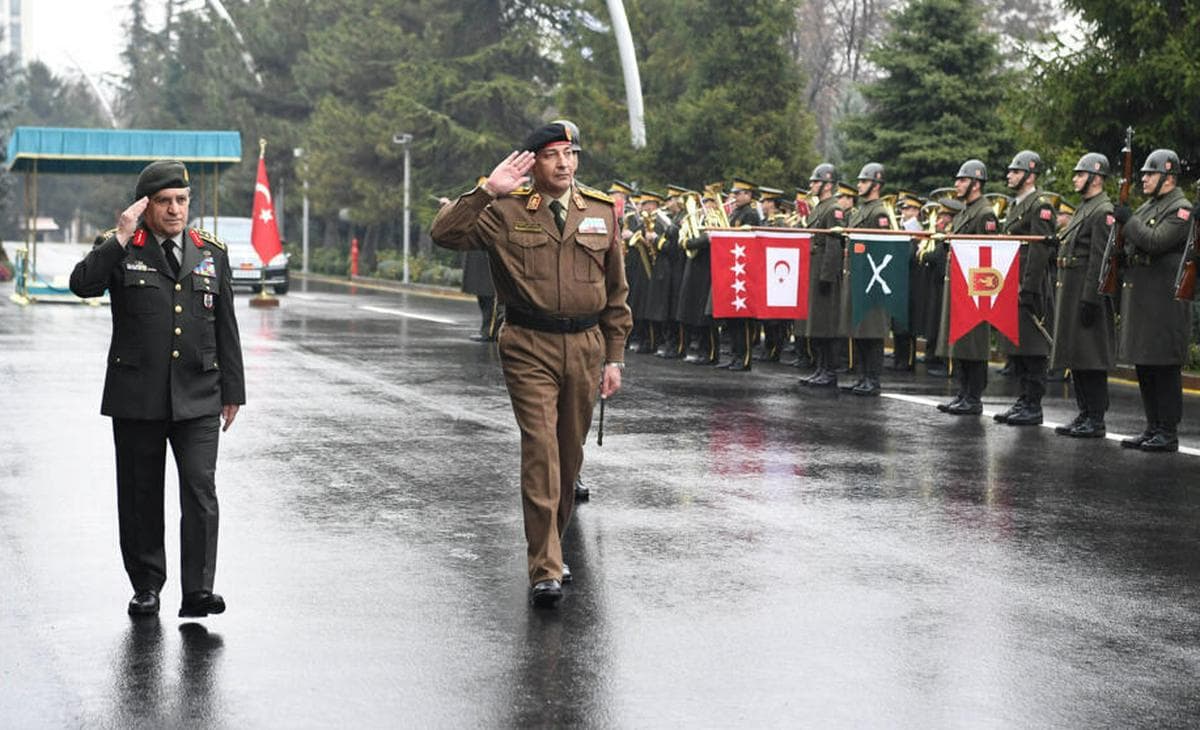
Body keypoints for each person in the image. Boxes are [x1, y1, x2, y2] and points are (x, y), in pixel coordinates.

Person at [431, 121, 631, 607]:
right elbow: (445, 232)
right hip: (528, 344)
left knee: (568, 455)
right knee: (541, 448)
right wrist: (485, 191)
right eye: (552, 156)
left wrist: (614, 356)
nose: (564, 164)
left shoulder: (600, 213)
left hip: (585, 345)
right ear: (533, 163)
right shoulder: (505, 210)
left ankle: (553, 546)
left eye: (571, 154)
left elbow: (617, 293)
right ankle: (544, 566)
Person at [68, 160, 245, 618]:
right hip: (137, 395)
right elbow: (82, 285)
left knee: (201, 489)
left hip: (200, 392)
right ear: (145, 206)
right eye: (164, 202)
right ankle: (147, 585)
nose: (174, 210)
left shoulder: (210, 252)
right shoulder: (121, 246)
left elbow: (226, 325)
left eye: (181, 201)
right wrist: (121, 235)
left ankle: (199, 591)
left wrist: (234, 390)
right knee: (141, 493)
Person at [1113, 148, 1194, 453]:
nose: (1143, 178)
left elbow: (1155, 241)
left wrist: (1129, 221)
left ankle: (1167, 431)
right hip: (1144, 296)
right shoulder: (1151, 205)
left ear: (1168, 177)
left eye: (1151, 173)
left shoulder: (1180, 210)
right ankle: (1152, 426)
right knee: (1145, 365)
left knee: (1164, 367)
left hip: (1164, 300)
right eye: (1144, 173)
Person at [1050, 153, 1115, 438]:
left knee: (1090, 357)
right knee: (1076, 354)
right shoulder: (1085, 208)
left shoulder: (1102, 211)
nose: (1075, 178)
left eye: (1080, 173)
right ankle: (1084, 412)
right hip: (1072, 286)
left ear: (1096, 177)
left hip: (1085, 291)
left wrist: (1091, 297)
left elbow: (1100, 259)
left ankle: (1096, 418)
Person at [993, 151, 1057, 426]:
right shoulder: (1017, 205)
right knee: (1018, 345)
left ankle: (1033, 404)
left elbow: (1039, 250)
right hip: (1013, 281)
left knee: (1033, 347)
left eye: (1015, 171)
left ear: (1030, 175)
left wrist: (1029, 288)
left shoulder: (1040, 205)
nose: (1009, 175)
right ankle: (1023, 400)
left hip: (1031, 283)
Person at [936, 159, 999, 415]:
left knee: (974, 342)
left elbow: (988, 252)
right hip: (961, 285)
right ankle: (963, 393)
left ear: (975, 182)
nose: (957, 184)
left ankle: (974, 397)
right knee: (961, 341)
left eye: (962, 180)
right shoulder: (964, 211)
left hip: (976, 287)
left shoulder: (985, 213)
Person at [840, 162, 896, 396]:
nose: (859, 185)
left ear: (875, 184)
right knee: (860, 330)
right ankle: (863, 376)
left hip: (873, 277)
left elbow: (880, 246)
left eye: (863, 181)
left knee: (872, 332)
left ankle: (873, 378)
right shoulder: (861, 210)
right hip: (858, 275)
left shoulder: (879, 212)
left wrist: (856, 248)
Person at [802, 166, 848, 387]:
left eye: (815, 181)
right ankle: (820, 368)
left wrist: (827, 275)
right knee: (817, 323)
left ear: (827, 185)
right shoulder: (819, 208)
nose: (811, 185)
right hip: (815, 267)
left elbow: (834, 244)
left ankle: (829, 371)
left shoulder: (834, 209)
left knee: (828, 324)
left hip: (825, 270)